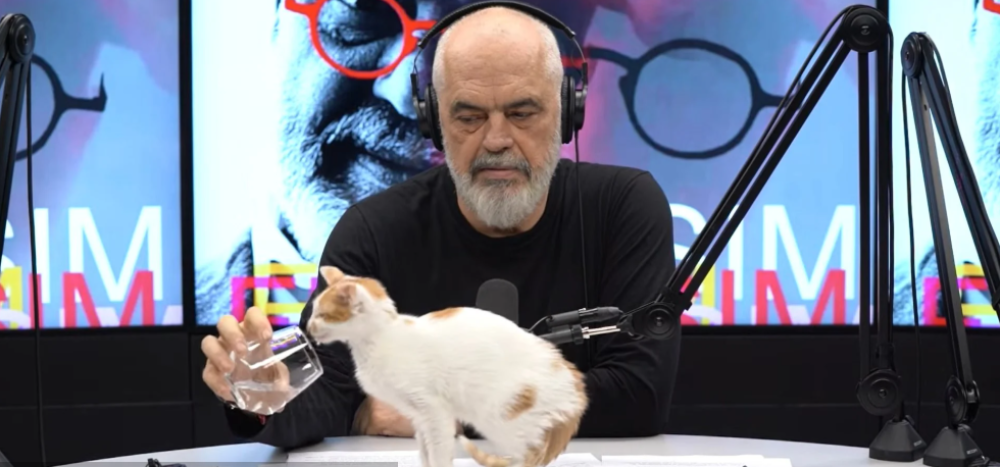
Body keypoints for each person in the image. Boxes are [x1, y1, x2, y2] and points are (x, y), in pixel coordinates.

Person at [201, 5, 679, 449]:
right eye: (469, 116)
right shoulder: (372, 230)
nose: (496, 140)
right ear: (433, 119)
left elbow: (638, 396)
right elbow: (325, 397)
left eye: (522, 113)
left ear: (567, 112)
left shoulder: (623, 207)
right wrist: (260, 396)